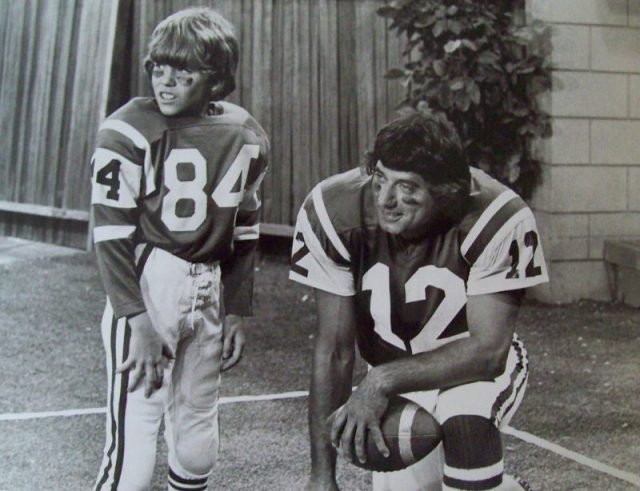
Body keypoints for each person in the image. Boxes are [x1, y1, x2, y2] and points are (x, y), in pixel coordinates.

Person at [290, 110, 547, 491]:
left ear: (446, 193)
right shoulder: (333, 212)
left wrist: (380, 380)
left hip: (475, 367)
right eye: (380, 180)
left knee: (466, 417)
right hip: (399, 372)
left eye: (407, 187)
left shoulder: (496, 217)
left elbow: (489, 351)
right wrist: (321, 477)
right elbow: (334, 350)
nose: (386, 200)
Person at [90, 8, 269, 490]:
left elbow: (244, 226)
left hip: (198, 282)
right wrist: (138, 320)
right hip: (156, 282)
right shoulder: (133, 128)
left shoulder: (240, 131)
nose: (166, 82)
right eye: (158, 68)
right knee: (143, 428)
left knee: (192, 429)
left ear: (215, 80)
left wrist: (234, 309)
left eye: (183, 72)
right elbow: (110, 237)